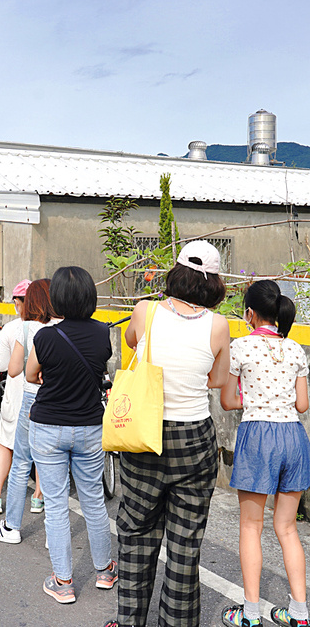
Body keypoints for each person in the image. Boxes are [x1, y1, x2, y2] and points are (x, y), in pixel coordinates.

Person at [104, 241, 232, 627]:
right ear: (214, 282)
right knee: (184, 545)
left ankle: (129, 621)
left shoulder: (145, 311)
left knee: (137, 535)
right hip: (194, 439)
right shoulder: (219, 324)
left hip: (144, 435)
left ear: (176, 272)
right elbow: (218, 380)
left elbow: (130, 343)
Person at [218, 280, 310, 627]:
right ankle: (300, 614)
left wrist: (253, 400)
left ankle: (251, 615)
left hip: (259, 435)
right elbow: (302, 404)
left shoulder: (239, 347)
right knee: (287, 528)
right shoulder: (296, 349)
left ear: (250, 314)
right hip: (294, 437)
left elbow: (227, 401)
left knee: (250, 527)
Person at [23, 267, 116, 605]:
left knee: (56, 505)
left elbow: (31, 375)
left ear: (57, 298)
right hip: (90, 426)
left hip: (48, 426)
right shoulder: (101, 333)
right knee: (93, 500)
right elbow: (100, 370)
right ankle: (104, 571)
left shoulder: (45, 337)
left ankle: (63, 582)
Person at [0, 278, 52, 541]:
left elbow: (8, 369)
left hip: (22, 397)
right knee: (49, 458)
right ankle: (38, 500)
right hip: (57, 403)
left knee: (11, 451)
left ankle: (1, 506)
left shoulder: (18, 329)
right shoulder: (62, 326)